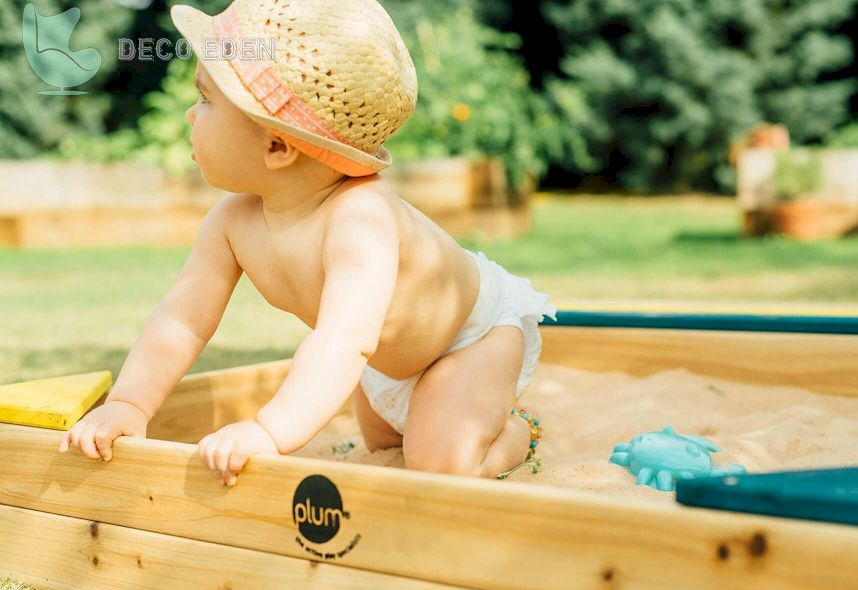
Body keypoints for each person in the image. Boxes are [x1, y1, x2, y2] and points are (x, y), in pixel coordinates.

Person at [58, 0, 556, 483]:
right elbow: (182, 321)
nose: (190, 114)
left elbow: (343, 340)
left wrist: (269, 430)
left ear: (277, 146)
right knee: (387, 446)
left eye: (206, 99)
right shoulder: (233, 221)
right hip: (389, 358)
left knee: (438, 461)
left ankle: (517, 430)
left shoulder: (360, 219)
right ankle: (440, 412)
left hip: (469, 337)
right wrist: (129, 403)